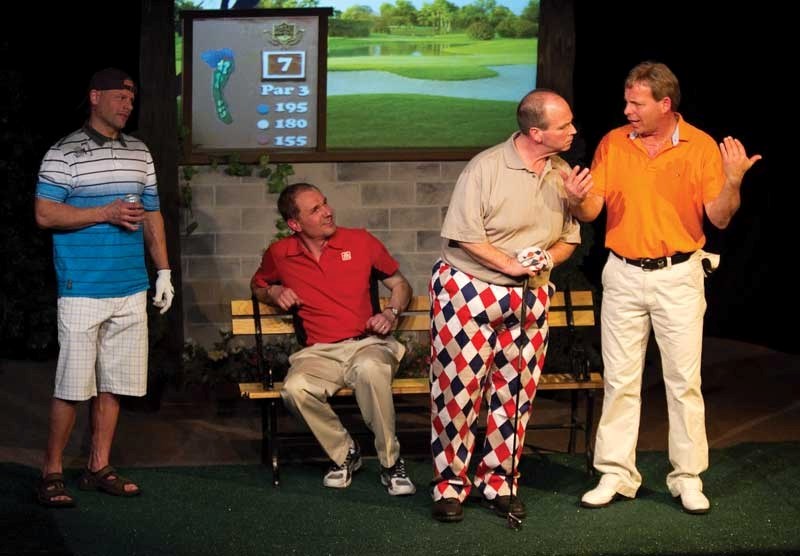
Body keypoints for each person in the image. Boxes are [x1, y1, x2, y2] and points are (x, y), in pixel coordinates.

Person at [567, 61, 762, 514]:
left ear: (665, 104)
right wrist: (577, 198)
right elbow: (593, 210)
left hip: (678, 276)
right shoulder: (614, 142)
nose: (627, 110)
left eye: (636, 103)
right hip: (622, 274)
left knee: (683, 382)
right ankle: (615, 473)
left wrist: (733, 181)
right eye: (627, 101)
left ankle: (687, 476)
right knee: (620, 381)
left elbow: (718, 218)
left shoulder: (699, 146)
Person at [429, 89, 591, 523]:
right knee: (457, 394)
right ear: (536, 132)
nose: (574, 130)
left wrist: (542, 260)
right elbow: (465, 235)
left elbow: (568, 239)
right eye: (564, 125)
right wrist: (512, 265)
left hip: (529, 295)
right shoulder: (486, 167)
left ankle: (499, 481)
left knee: (514, 395)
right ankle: (450, 486)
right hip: (470, 287)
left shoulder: (560, 173)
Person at [34, 68, 174, 507]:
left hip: (130, 286)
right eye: (119, 97)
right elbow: (45, 215)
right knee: (73, 385)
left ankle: (98, 466)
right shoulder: (64, 152)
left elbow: (152, 214)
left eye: (131, 98)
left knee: (114, 384)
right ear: (95, 97)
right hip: (82, 287)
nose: (127, 105)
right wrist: (105, 212)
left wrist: (164, 271)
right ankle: (52, 472)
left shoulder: (139, 151)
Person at [250, 182, 417, 496]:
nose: (328, 212)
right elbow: (258, 285)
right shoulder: (280, 253)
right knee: (294, 389)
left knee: (371, 370)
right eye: (316, 209)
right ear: (295, 224)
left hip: (367, 344)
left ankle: (391, 463)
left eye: (325, 203)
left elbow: (401, 285)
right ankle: (345, 453)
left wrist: (390, 313)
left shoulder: (361, 241)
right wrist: (273, 291)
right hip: (319, 353)